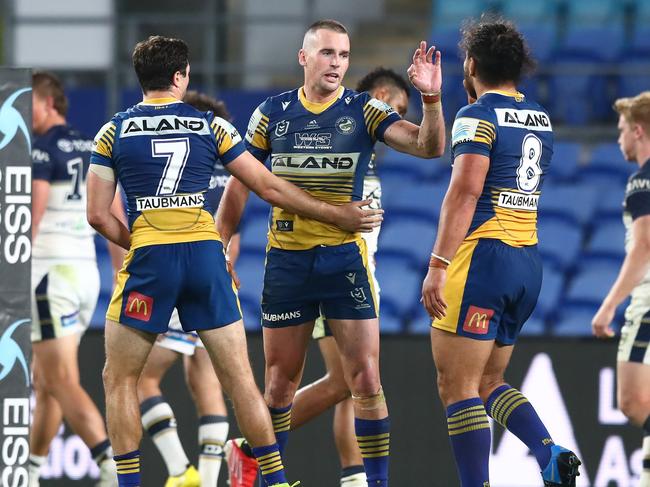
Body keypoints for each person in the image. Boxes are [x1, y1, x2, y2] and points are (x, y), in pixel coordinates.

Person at [86, 35, 381, 487]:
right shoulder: (212, 126)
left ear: (140, 78)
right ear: (181, 77)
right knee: (241, 379)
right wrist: (334, 212)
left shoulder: (113, 131)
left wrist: (142, 242)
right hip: (206, 256)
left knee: (120, 378)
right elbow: (268, 187)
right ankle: (277, 481)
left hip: (149, 260)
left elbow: (97, 214)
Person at [218, 19, 445, 487]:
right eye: (326, 53)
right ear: (304, 57)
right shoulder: (272, 113)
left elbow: (429, 146)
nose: (336, 64)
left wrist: (433, 100)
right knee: (279, 382)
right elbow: (241, 182)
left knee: (363, 378)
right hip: (287, 260)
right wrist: (222, 240)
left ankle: (375, 483)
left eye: (343, 55)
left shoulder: (364, 110)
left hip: (345, 261)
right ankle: (267, 478)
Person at [420, 17, 581, 487]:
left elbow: (465, 193)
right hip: (526, 262)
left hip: (481, 260)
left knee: (456, 387)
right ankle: (549, 451)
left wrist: (437, 266)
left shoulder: (476, 116)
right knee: (489, 382)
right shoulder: (539, 117)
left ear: (470, 64)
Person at [290, 68, 410, 487]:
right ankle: (253, 445)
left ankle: (354, 478)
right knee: (348, 381)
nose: (398, 121)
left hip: (358, 276)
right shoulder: (338, 141)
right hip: (333, 273)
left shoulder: (366, 155)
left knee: (354, 383)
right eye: (397, 109)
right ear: (378, 97)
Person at [135, 91, 239, 487]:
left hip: (179, 280)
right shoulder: (228, 177)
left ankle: (180, 471)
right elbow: (234, 240)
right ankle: (209, 481)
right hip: (215, 285)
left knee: (140, 380)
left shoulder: (181, 175)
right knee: (206, 386)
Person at [28, 71, 123, 487]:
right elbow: (113, 212)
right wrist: (121, 271)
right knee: (46, 381)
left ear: (49, 103)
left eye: (26, 103)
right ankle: (29, 473)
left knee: (60, 379)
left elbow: (29, 219)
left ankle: (109, 465)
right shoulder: (93, 145)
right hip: (86, 275)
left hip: (49, 273)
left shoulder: (41, 148)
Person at [592, 91, 650, 486]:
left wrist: (610, 304)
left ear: (639, 131)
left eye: (622, 130)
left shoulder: (642, 179)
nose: (619, 139)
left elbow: (645, 245)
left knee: (631, 400)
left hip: (647, 303)